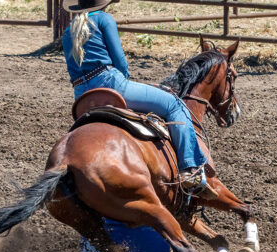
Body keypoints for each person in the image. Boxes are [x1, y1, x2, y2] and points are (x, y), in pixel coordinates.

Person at [61, 0, 217, 200]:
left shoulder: (68, 31)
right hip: (110, 84)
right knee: (173, 104)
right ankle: (189, 168)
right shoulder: (104, 19)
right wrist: (124, 78)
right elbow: (120, 62)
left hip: (83, 95)